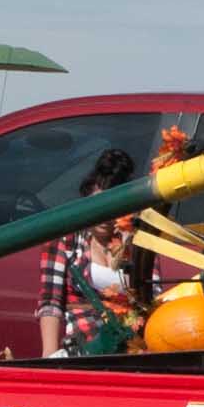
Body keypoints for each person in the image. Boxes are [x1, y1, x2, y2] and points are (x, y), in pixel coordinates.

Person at [36, 147, 148, 356]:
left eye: (114, 207)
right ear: (87, 203)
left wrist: (127, 247)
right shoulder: (66, 241)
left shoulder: (138, 243)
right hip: (85, 349)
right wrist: (49, 356)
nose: (106, 216)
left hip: (132, 348)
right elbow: (50, 303)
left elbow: (150, 297)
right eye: (99, 206)